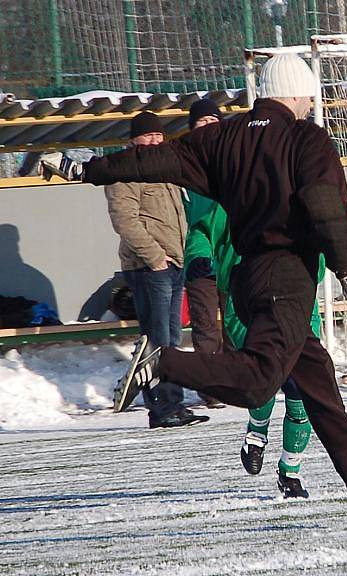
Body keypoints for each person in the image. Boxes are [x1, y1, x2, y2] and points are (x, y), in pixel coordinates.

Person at [79, 54, 347, 508]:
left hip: (247, 277)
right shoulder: (307, 137)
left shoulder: (224, 136)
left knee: (316, 374)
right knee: (259, 382)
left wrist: (88, 169)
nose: (309, 104)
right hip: (287, 273)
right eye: (307, 96)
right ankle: (163, 362)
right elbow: (325, 204)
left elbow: (154, 160)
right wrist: (346, 268)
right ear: (297, 92)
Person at [201, 195, 347, 498]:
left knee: (301, 390)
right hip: (249, 299)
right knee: (267, 374)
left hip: (300, 300)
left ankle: (290, 474)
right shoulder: (242, 185)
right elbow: (202, 230)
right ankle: (256, 433)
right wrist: (200, 261)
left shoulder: (310, 185)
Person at [105, 111, 209, 429]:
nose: (153, 140)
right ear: (133, 139)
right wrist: (155, 258)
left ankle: (171, 403)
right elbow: (125, 221)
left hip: (173, 263)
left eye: (158, 135)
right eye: (147, 135)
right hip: (150, 267)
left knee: (169, 337)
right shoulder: (123, 171)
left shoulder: (163, 167)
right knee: (159, 338)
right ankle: (163, 407)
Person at [182, 99, 227, 409]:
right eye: (202, 122)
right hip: (199, 255)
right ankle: (212, 389)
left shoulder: (237, 159)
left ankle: (242, 378)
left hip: (233, 253)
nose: (209, 127)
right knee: (206, 323)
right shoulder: (183, 165)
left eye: (214, 121)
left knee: (240, 317)